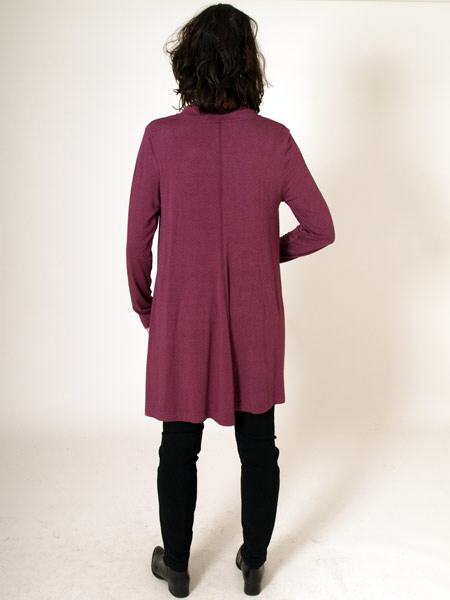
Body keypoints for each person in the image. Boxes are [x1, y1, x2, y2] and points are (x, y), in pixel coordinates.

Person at [125, 3, 335, 597]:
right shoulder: (274, 141)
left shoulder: (160, 138)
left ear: (188, 63)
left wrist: (146, 305)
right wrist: (266, 254)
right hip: (254, 315)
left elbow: (138, 238)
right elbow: (320, 227)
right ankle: (254, 561)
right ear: (249, 65)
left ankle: (177, 565)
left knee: (177, 445)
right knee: (259, 444)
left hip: (182, 315)